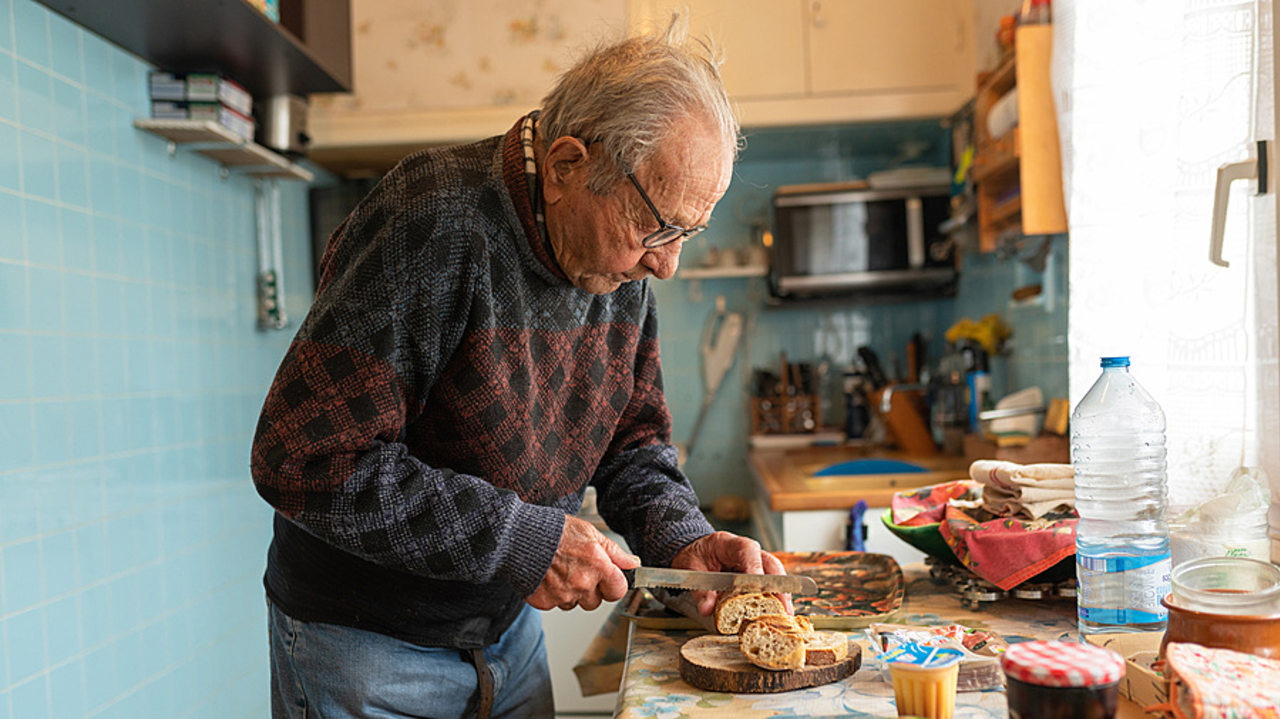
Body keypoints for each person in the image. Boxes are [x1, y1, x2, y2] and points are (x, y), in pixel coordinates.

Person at [250, 14, 788, 719]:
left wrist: (682, 539)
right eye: (655, 227)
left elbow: (632, 444)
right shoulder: (432, 221)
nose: (666, 262)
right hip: (369, 650)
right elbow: (303, 457)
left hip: (506, 638)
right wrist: (522, 539)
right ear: (567, 165)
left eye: (688, 232)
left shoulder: (622, 271)